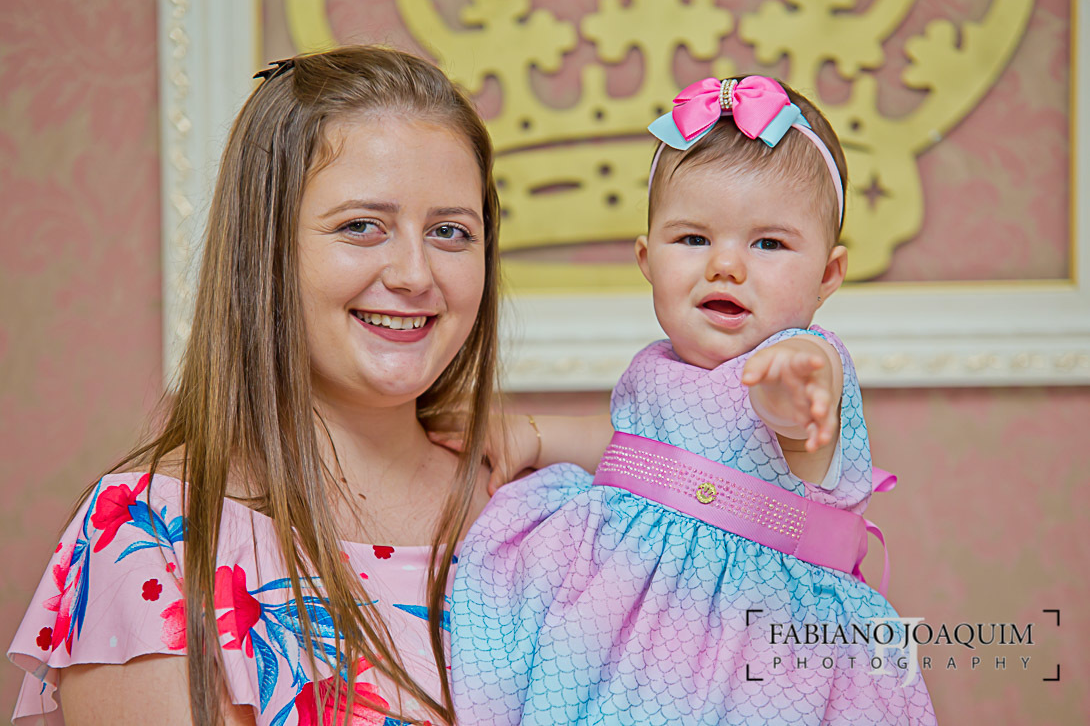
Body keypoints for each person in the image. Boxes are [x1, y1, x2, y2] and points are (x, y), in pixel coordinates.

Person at [7, 45, 501, 726]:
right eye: (362, 226)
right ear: (265, 249)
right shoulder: (149, 534)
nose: (415, 274)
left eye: (450, 231)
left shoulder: (536, 511)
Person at [448, 76, 937, 725]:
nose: (725, 266)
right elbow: (635, 453)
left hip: (756, 635)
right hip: (635, 621)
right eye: (693, 239)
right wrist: (536, 435)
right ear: (647, 259)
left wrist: (790, 391)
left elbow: (794, 422)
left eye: (768, 244)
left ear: (827, 275)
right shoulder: (658, 365)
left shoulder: (807, 363)